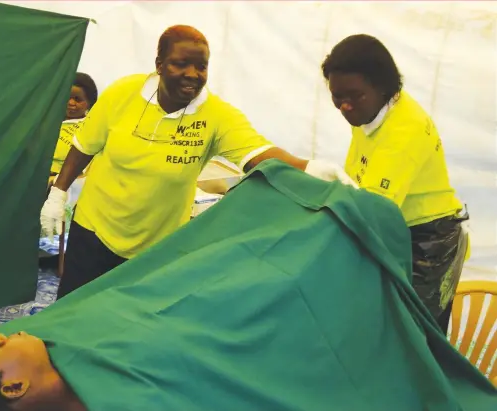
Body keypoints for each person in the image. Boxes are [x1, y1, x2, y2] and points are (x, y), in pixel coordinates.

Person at [0, 160, 497, 410]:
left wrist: (283, 180)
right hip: (256, 304)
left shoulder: (42, 350)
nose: (4, 332)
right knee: (281, 278)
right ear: (14, 391)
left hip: (196, 281)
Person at [41, 24, 357, 299]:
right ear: (160, 64)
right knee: (73, 312)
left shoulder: (216, 116)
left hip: (159, 247)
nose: (193, 74)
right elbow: (84, 145)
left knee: (131, 328)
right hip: (94, 232)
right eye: (182, 64)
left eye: (201, 66)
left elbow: (259, 154)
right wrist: (58, 193)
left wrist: (311, 168)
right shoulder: (122, 94)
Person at [321, 34, 470, 334]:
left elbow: (371, 212)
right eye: (337, 96)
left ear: (382, 87)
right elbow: (357, 181)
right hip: (397, 225)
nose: (344, 106)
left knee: (415, 336)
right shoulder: (370, 112)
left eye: (353, 96)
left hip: (431, 240)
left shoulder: (404, 130)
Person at [39, 72, 98, 270]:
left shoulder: (90, 127)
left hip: (74, 183)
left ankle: (64, 260)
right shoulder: (47, 123)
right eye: (68, 97)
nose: (71, 103)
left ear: (89, 103)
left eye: (78, 99)